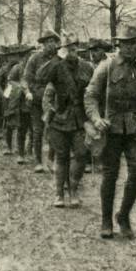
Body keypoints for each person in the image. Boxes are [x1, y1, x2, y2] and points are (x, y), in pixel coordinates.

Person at [84, 25, 136, 239]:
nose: (127, 47)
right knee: (110, 175)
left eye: (132, 42)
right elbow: (90, 96)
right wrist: (97, 119)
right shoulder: (106, 67)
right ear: (119, 45)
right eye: (123, 43)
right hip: (112, 127)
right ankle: (106, 219)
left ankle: (123, 215)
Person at [43, 33, 94, 208]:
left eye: (75, 48)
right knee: (62, 156)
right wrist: (58, 57)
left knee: (81, 153)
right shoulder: (56, 66)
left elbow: (95, 91)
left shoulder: (87, 67)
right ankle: (59, 193)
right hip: (59, 118)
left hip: (80, 119)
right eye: (69, 49)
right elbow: (42, 77)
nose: (73, 52)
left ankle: (73, 188)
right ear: (64, 50)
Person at [24, 29, 61, 173]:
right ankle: (38, 162)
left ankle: (51, 160)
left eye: (53, 41)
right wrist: (27, 92)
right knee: (37, 131)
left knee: (54, 131)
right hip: (37, 100)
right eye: (48, 42)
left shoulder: (59, 59)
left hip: (53, 101)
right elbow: (26, 79)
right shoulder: (34, 59)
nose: (51, 45)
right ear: (43, 44)